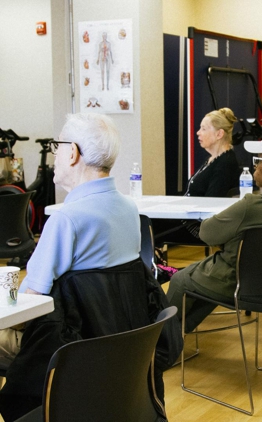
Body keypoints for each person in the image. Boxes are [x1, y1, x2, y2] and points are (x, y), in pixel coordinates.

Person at [0, 114, 180, 421]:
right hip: (121, 353)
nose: (55, 155)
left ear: (72, 153)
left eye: (58, 147)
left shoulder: (65, 220)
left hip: (71, 354)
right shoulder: (128, 209)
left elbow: (32, 305)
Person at [166, 131, 262, 333]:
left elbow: (207, 233)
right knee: (204, 280)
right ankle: (175, 339)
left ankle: (161, 345)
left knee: (180, 280)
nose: (254, 165)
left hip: (245, 285)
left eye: (258, 159)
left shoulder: (252, 206)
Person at [154, 107, 241, 245]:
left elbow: (210, 204)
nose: (198, 133)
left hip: (198, 228)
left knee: (148, 225)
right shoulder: (213, 159)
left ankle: (154, 265)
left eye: (204, 129)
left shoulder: (225, 164)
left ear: (219, 134)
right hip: (188, 219)